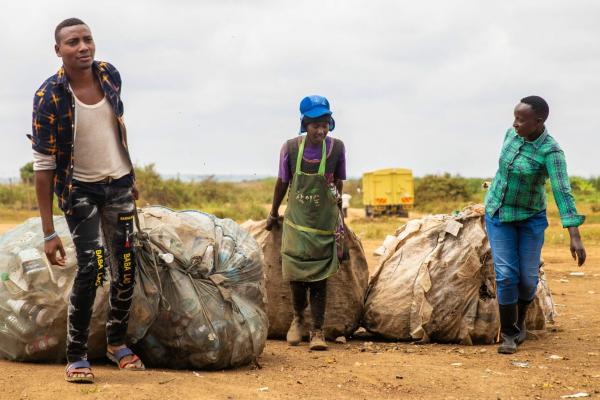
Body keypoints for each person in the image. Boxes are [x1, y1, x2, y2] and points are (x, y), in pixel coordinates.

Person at [29, 18, 144, 383]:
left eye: (87, 39)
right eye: (73, 42)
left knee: (126, 265)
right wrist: (49, 232)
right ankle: (77, 354)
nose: (83, 47)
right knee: (93, 266)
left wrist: (129, 173)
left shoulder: (110, 75)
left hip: (119, 186)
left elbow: (117, 127)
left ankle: (116, 343)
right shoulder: (49, 96)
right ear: (58, 50)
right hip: (79, 192)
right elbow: (44, 165)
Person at [485, 95, 586, 354]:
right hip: (499, 213)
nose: (515, 124)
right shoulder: (511, 135)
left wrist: (574, 235)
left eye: (521, 119)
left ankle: (520, 324)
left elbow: (562, 191)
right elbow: (502, 172)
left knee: (528, 280)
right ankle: (508, 334)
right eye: (514, 118)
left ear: (538, 121)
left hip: (530, 218)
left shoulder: (550, 151)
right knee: (507, 275)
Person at [266, 95, 346, 351]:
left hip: (323, 224)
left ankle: (317, 332)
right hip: (296, 224)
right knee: (296, 275)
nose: (321, 130)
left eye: (325, 124)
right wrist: (273, 212)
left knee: (320, 278)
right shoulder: (290, 148)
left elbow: (338, 184)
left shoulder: (337, 148)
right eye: (315, 125)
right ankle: (297, 318)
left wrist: (339, 216)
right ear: (304, 124)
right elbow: (282, 183)